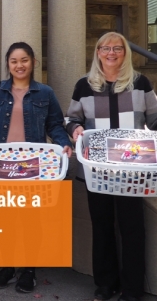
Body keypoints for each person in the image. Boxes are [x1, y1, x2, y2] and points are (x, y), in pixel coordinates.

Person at [0, 42, 72, 294]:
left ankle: (28, 270)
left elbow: (55, 125)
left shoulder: (45, 93)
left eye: (24, 60)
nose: (19, 65)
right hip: (0, 165)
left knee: (31, 221)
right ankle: (7, 266)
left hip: (33, 166)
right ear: (8, 64)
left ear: (33, 62)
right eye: (14, 61)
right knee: (5, 219)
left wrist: (63, 142)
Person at [67, 32, 157, 301]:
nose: (111, 52)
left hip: (132, 171)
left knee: (132, 229)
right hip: (98, 171)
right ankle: (106, 284)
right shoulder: (84, 85)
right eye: (105, 48)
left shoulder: (141, 83)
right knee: (102, 225)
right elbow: (70, 119)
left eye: (117, 48)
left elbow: (155, 121)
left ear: (125, 53)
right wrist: (76, 128)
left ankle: (131, 290)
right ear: (97, 52)